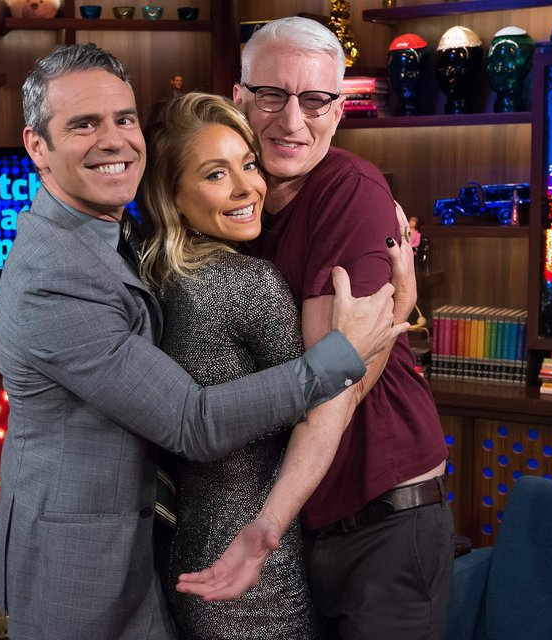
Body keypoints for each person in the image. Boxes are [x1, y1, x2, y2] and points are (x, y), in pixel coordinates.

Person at [0, 42, 407, 640]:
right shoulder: (54, 276)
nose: (113, 140)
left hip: (162, 555)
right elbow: (193, 421)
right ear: (38, 146)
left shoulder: (126, 244)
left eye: (124, 119)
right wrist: (366, 336)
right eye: (84, 124)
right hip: (79, 567)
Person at [178, 17, 454, 640]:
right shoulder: (242, 207)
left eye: (315, 100)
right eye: (272, 95)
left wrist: (266, 526)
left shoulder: (350, 192)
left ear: (339, 110)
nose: (292, 120)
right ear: (239, 96)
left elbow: (336, 387)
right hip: (307, 526)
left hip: (382, 523)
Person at [138, 93, 411, 639]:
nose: (247, 187)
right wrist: (400, 304)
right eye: (216, 174)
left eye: (248, 164)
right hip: (254, 575)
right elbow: (329, 396)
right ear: (173, 197)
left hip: (190, 555)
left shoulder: (162, 281)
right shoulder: (249, 283)